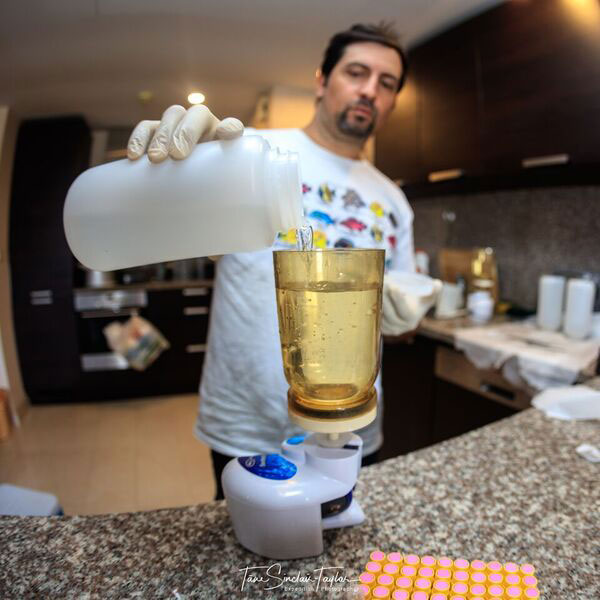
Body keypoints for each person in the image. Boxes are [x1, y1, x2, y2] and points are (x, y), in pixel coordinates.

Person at [127, 23, 431, 500]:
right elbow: (163, 228)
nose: (370, 90)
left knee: (340, 564)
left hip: (351, 428)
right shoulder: (249, 154)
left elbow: (404, 319)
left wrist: (404, 313)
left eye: (387, 83)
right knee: (253, 568)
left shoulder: (394, 199)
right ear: (321, 80)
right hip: (247, 424)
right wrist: (164, 179)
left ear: (393, 100)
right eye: (357, 72)